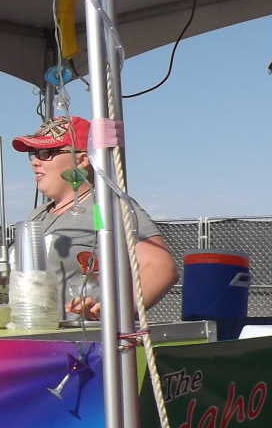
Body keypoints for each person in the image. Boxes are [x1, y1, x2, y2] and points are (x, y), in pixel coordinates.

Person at [13, 115, 177, 319]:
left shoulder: (105, 207)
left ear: (82, 160)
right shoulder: (37, 216)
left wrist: (116, 312)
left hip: (83, 336)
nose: (35, 162)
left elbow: (160, 267)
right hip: (31, 332)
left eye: (45, 153)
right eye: (33, 154)